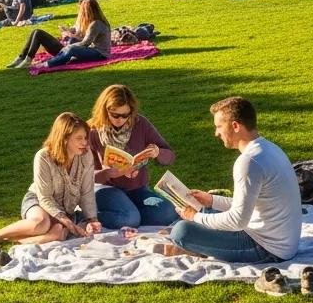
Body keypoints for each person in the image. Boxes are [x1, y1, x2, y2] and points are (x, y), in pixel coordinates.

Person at [169, 97, 301, 263]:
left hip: (267, 248)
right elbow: (249, 204)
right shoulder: (268, 148)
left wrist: (194, 217)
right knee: (207, 210)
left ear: (235, 126)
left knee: (181, 231)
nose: (216, 133)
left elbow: (238, 220)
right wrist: (212, 200)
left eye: (218, 126)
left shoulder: (248, 162)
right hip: (283, 241)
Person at [0, 113, 102, 263]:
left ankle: (16, 240)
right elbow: (44, 197)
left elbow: (87, 191)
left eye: (85, 137)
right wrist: (69, 223)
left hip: (65, 208)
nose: (84, 142)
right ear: (64, 138)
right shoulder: (43, 157)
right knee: (41, 223)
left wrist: (92, 219)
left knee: (57, 235)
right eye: (79, 138)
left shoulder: (86, 156)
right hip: (39, 200)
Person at [87, 85, 177, 230]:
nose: (120, 119)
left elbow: (170, 156)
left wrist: (157, 152)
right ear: (105, 110)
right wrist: (107, 173)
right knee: (129, 219)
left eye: (125, 115)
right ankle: (83, 216)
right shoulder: (91, 131)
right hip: (105, 189)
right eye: (115, 115)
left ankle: (129, 213)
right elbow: (82, 176)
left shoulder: (140, 123)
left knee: (167, 213)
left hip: (137, 189)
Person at [6, 0, 110, 69]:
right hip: (79, 47)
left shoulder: (96, 24)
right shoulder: (89, 21)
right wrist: (69, 32)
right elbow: (79, 34)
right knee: (37, 32)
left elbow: (86, 43)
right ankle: (23, 57)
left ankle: (47, 64)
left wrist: (70, 39)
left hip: (98, 53)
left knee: (70, 49)